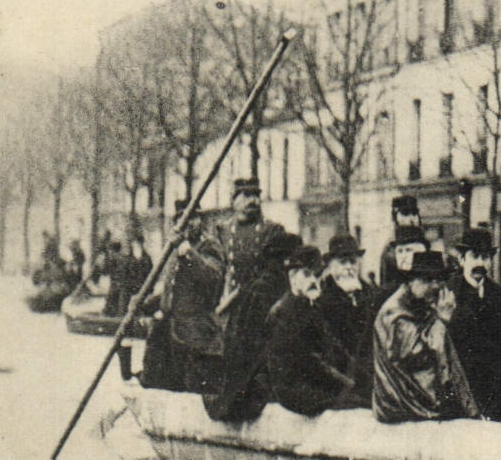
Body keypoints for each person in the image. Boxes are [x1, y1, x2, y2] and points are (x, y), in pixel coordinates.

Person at [204, 178, 294, 422]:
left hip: (258, 306)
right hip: (229, 305)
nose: (251, 201)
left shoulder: (270, 230)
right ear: (233, 200)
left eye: (255, 195)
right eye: (244, 195)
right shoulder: (221, 231)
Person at [372, 250, 480, 423]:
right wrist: (442, 321)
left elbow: (447, 358)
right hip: (402, 404)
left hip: (418, 398)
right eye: (427, 279)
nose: (435, 286)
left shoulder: (421, 304)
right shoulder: (396, 313)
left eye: (439, 280)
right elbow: (416, 356)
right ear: (410, 281)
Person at [265, 246, 357, 417]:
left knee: (361, 396)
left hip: (315, 383)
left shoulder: (310, 305)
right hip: (293, 390)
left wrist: (357, 373)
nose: (314, 280)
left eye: (317, 275)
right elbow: (309, 362)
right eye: (307, 275)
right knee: (356, 403)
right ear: (292, 277)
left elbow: (334, 347)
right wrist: (347, 383)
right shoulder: (282, 312)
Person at [143, 202, 225, 394]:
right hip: (169, 332)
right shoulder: (173, 249)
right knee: (161, 384)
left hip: (195, 333)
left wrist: (188, 252)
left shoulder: (208, 246)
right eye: (180, 218)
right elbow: (173, 289)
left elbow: (212, 278)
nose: (187, 223)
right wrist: (146, 303)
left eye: (192, 218)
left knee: (193, 388)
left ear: (200, 221)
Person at [447, 227, 501, 421]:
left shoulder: (499, 293)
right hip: (458, 391)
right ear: (462, 259)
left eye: (486, 257)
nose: (480, 263)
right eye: (475, 256)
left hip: (493, 392)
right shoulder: (449, 292)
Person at [317, 233, 371, 377]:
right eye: (342, 262)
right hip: (339, 376)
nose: (349, 267)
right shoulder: (322, 299)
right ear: (330, 266)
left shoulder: (370, 293)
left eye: (353, 262)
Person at [379, 195, 425, 286]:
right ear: (395, 217)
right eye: (405, 213)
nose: (411, 219)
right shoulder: (391, 247)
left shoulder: (423, 242)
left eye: (414, 213)